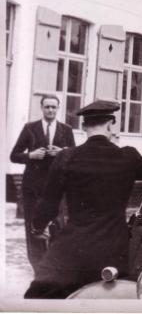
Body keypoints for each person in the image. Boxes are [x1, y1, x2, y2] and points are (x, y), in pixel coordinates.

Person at [23, 100, 142, 299]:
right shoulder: (127, 156)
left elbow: (48, 204)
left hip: (71, 250)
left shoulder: (66, 157)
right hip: (112, 250)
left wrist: (37, 226)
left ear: (84, 126)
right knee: (112, 301)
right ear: (111, 125)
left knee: (37, 298)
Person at [10, 94, 76, 271]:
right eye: (47, 107)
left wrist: (62, 152)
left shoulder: (66, 129)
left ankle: (54, 265)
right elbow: (14, 155)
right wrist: (30, 156)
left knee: (58, 225)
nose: (50, 110)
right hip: (33, 187)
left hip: (57, 187)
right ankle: (37, 267)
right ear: (41, 108)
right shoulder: (30, 128)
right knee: (33, 226)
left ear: (58, 108)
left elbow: (74, 155)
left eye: (54, 107)